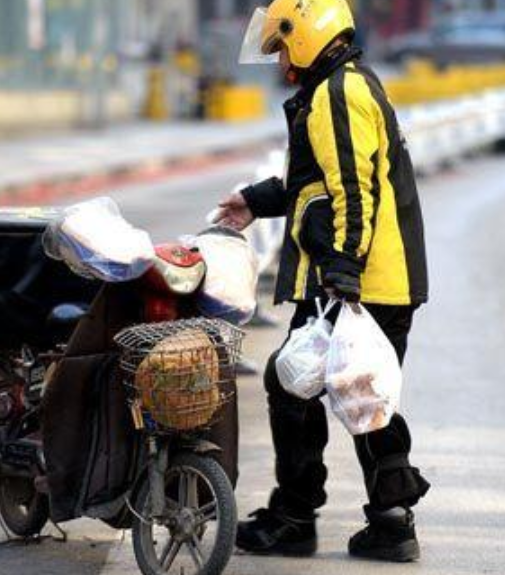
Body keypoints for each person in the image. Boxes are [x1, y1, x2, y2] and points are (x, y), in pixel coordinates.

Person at [213, 0, 430, 563]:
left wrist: (342, 275)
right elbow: (314, 181)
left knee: (296, 386)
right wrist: (255, 201)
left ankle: (294, 518)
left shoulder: (338, 93)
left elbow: (354, 194)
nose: (283, 61)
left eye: (284, 46)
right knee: (364, 395)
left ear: (306, 33)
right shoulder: (341, 86)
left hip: (358, 281)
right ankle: (389, 522)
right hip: (374, 279)